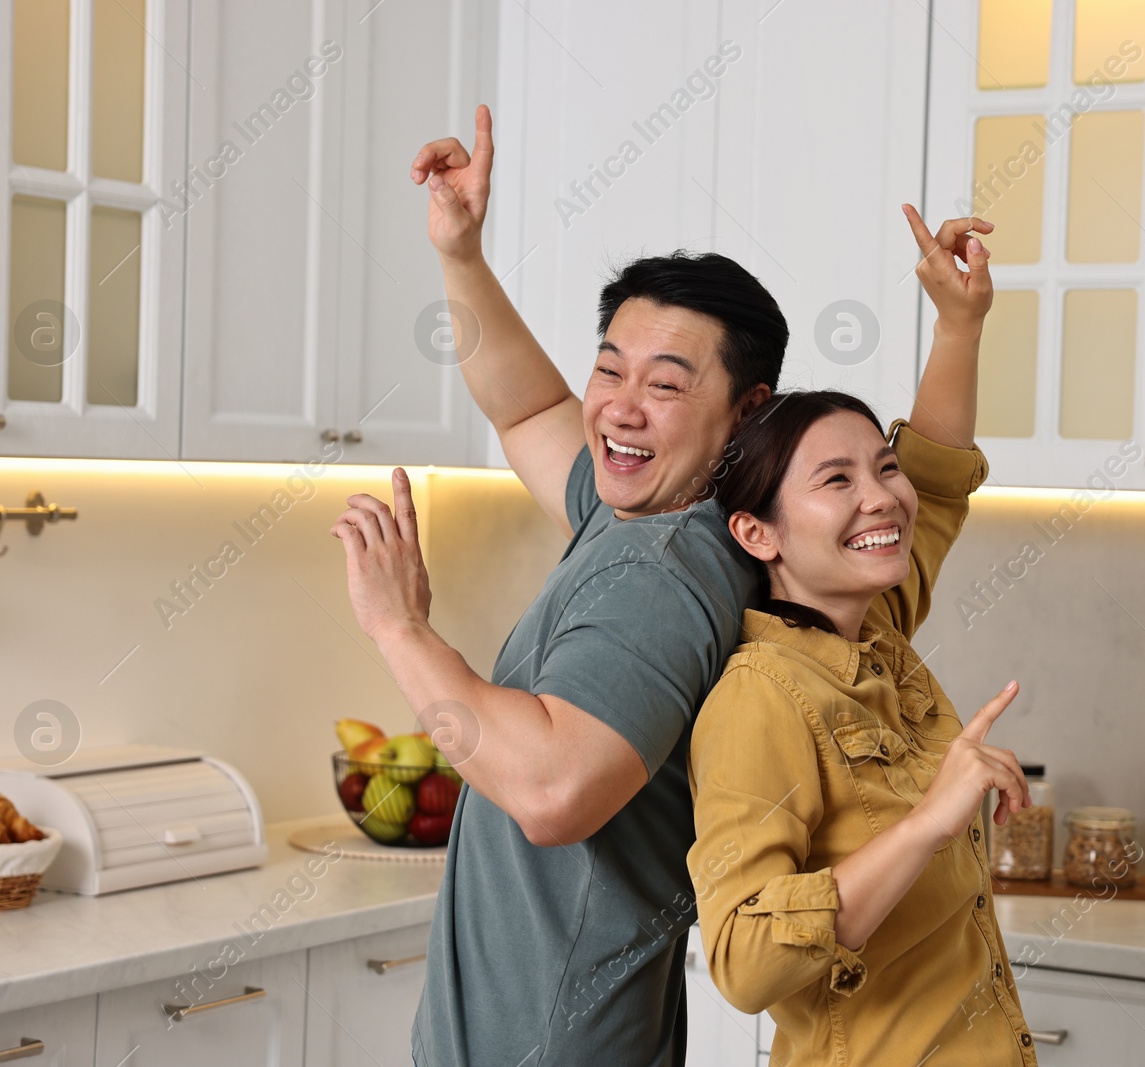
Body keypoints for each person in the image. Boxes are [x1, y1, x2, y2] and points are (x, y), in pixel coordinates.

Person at [330, 101, 1000, 1065]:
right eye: (611, 368)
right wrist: (462, 253)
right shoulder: (642, 510)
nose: (619, 407)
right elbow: (527, 406)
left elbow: (556, 790)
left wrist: (400, 629)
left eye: (668, 384)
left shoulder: (668, 571)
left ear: (746, 411)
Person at [685, 224, 1038, 1061]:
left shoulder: (872, 629)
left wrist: (960, 323)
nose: (882, 496)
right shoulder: (760, 698)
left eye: (882, 467)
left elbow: (940, 480)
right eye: (836, 480)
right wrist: (927, 824)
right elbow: (739, 959)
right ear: (758, 532)